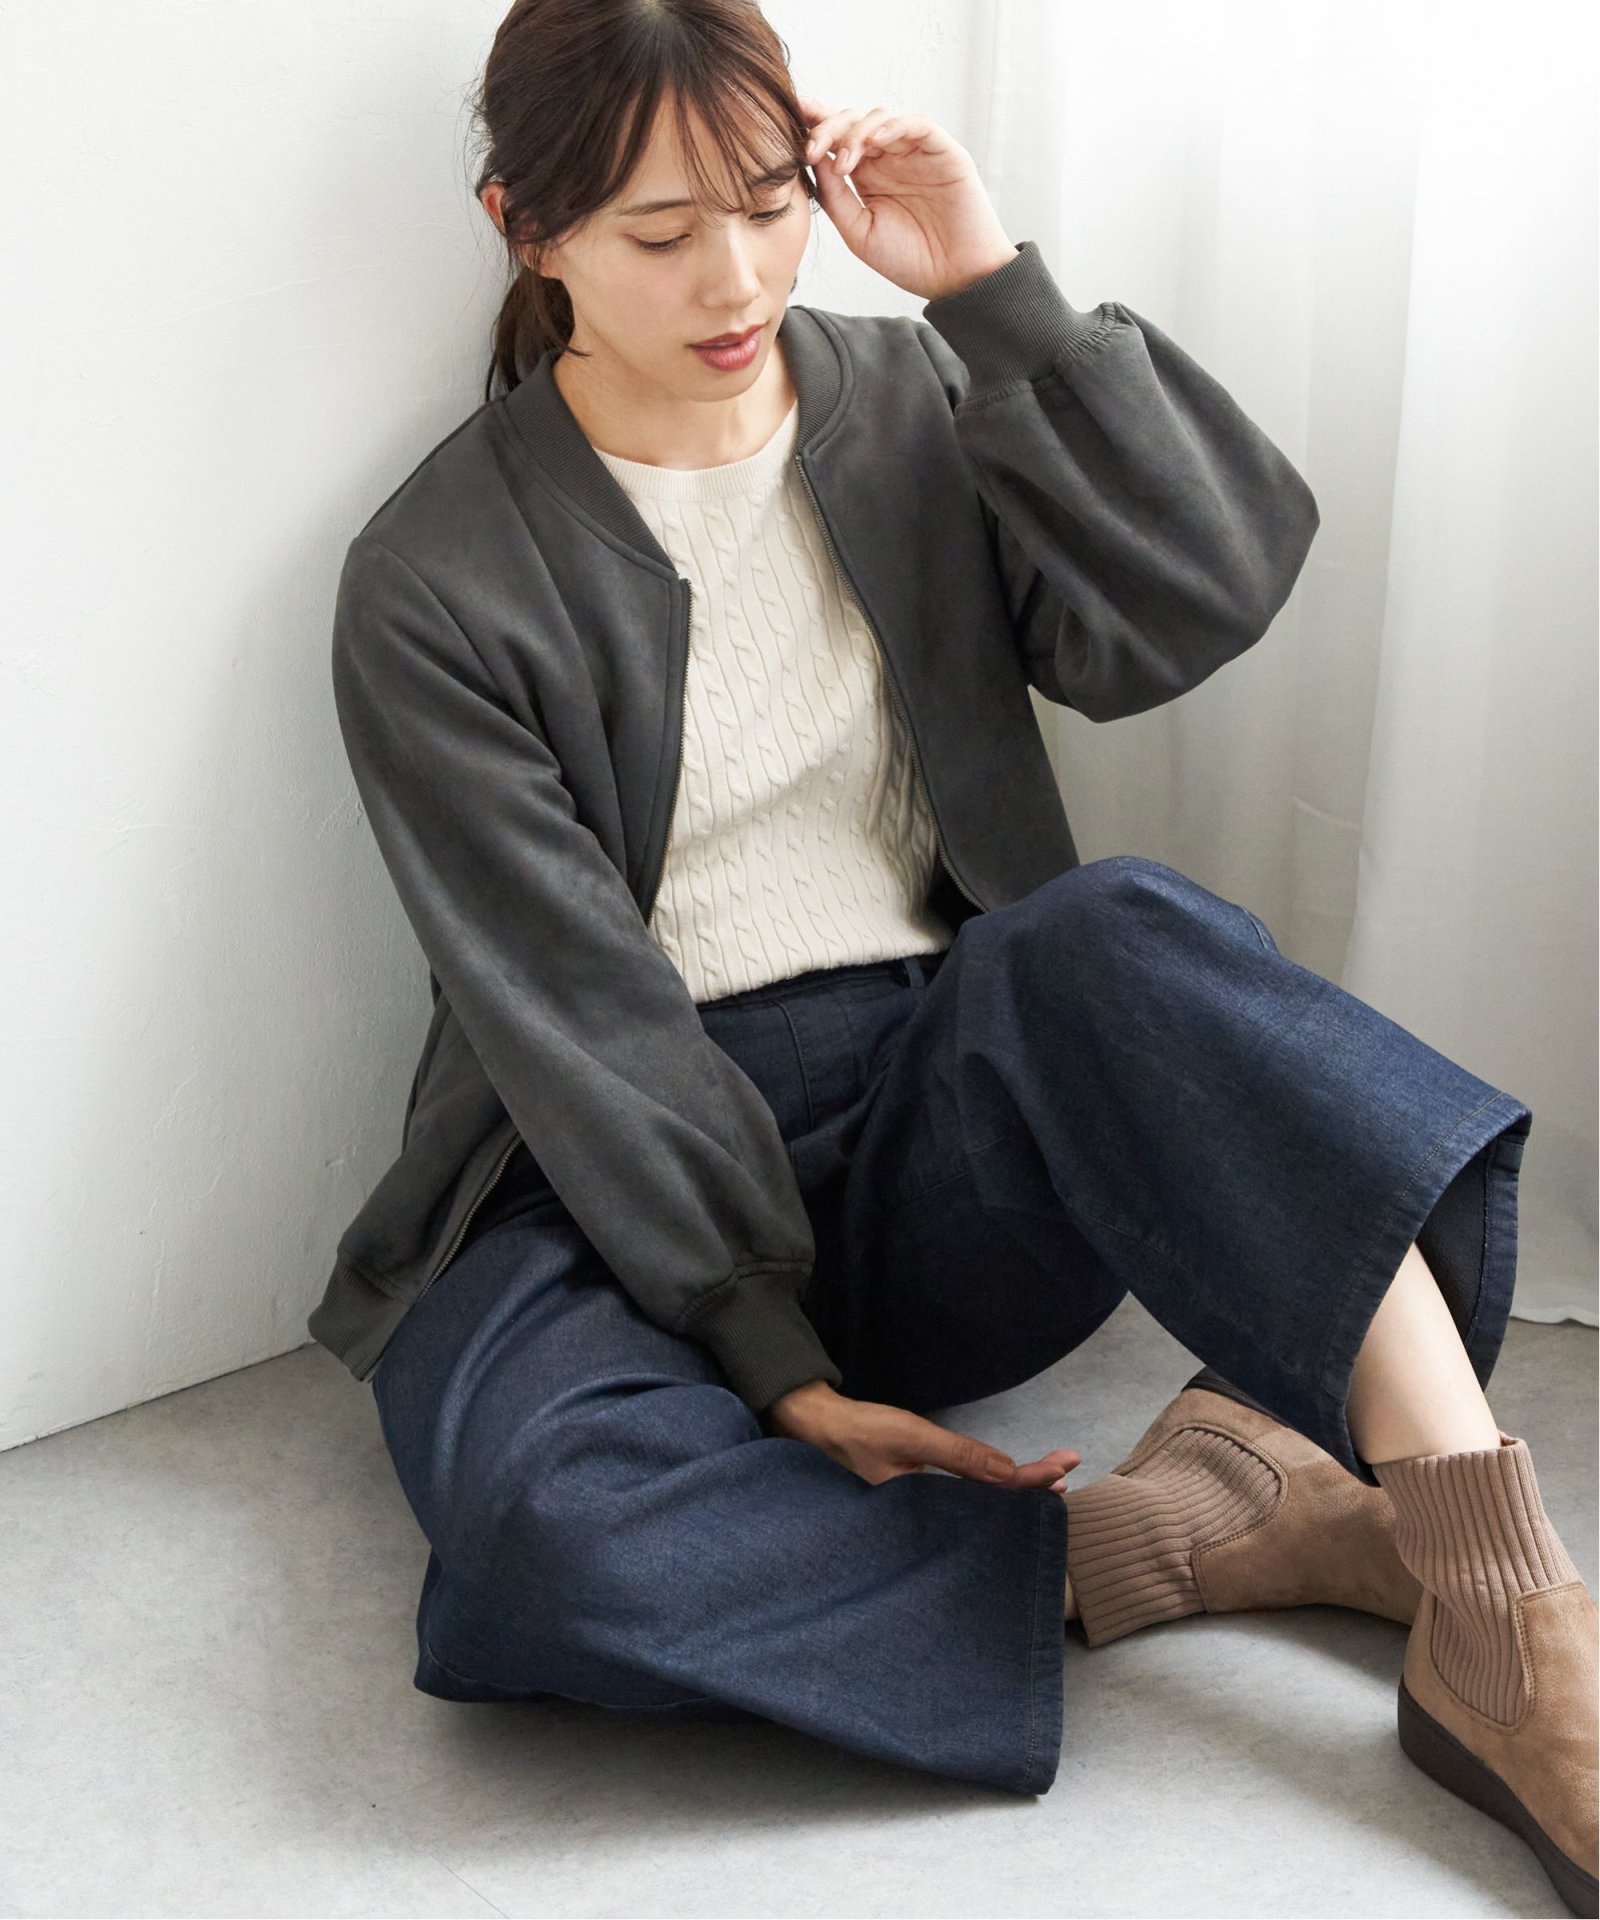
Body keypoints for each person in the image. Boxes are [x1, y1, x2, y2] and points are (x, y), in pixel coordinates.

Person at [306, 2, 1597, 1910]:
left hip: (940, 1123)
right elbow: (568, 1008)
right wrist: (773, 1361)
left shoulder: (913, 398)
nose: (736, 278)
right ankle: (1203, 1531)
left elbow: (1201, 589)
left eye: (769, 205)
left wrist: (995, 296)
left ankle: (1499, 1588)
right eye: (661, 233)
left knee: (1110, 931)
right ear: (529, 228)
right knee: (541, 1536)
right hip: (596, 1177)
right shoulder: (436, 577)